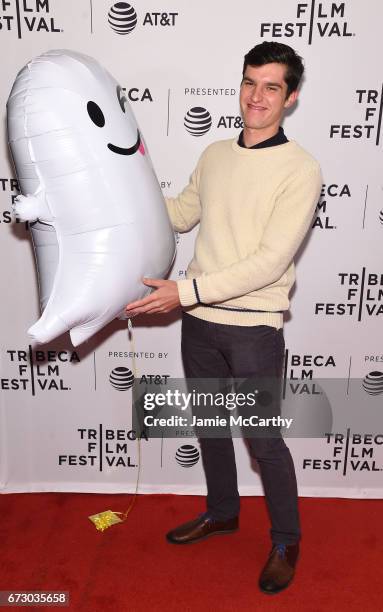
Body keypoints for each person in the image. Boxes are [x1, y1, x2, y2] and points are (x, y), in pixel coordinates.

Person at [125, 41, 322, 595]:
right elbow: (182, 213)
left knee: (263, 443)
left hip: (254, 329)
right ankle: (222, 511)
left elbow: (269, 263)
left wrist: (184, 291)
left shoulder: (301, 169)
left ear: (291, 97)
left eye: (272, 87)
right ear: (240, 86)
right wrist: (121, 192)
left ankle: (286, 538)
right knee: (212, 430)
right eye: (250, 82)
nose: (257, 96)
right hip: (200, 322)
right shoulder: (214, 153)